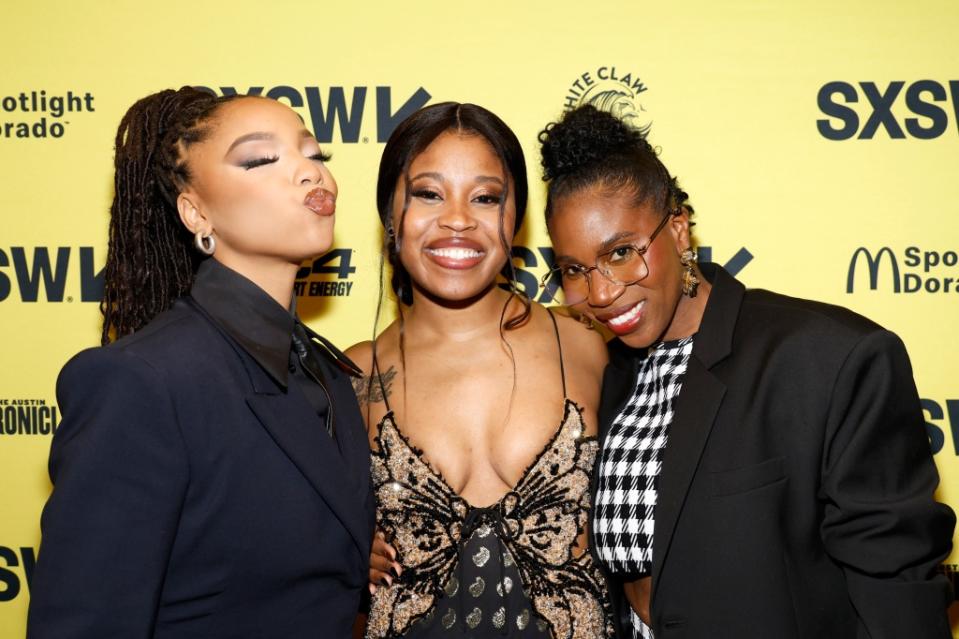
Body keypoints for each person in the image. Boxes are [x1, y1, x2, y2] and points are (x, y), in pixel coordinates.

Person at [537, 104, 955, 638]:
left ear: (680, 230)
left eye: (622, 252)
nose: (600, 293)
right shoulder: (606, 373)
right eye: (575, 269)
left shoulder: (826, 358)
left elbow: (898, 593)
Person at [27, 87, 374, 638]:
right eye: (263, 158)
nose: (311, 174)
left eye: (315, 154)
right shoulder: (141, 382)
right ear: (196, 211)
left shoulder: (327, 373)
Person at [348, 102, 615, 638]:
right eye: (428, 193)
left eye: (485, 197)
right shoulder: (352, 377)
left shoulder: (588, 342)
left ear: (514, 220)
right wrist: (340, 553)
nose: (458, 219)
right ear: (388, 214)